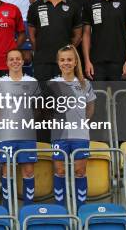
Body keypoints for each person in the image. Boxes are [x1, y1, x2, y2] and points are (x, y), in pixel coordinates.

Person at [82, 0, 126, 142]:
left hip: (120, 63)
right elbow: (86, 34)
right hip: (97, 64)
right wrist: (87, 61)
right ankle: (99, 146)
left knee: (123, 107)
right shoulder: (90, 4)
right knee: (97, 108)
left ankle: (124, 148)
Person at [50, 45, 96, 210]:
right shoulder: (52, 84)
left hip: (80, 135)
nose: (66, 63)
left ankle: (80, 209)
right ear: (58, 62)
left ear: (76, 62)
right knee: (60, 170)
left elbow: (90, 106)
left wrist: (84, 121)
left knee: (80, 171)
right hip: (59, 135)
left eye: (69, 59)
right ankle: (60, 209)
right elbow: (44, 108)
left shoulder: (85, 84)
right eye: (62, 60)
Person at [0, 50, 38, 208]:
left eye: (18, 59)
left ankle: (28, 209)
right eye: (11, 59)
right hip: (7, 135)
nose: (15, 62)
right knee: (7, 172)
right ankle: (7, 209)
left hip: (27, 135)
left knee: (28, 172)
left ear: (23, 61)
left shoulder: (32, 81)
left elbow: (38, 108)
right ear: (6, 62)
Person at [28, 0, 82, 81]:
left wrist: (66, 53)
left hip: (65, 62)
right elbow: (32, 36)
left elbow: (78, 36)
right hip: (42, 62)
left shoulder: (73, 6)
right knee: (44, 97)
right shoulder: (35, 7)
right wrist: (40, 51)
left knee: (65, 97)